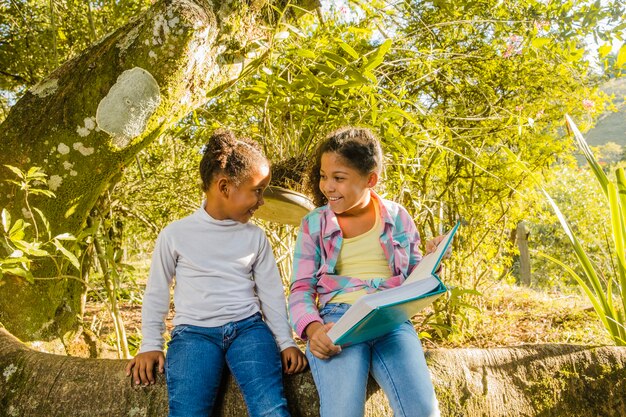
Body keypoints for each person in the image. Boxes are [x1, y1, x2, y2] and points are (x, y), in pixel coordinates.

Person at [126, 130, 307, 417]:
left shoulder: (255, 238)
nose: (261, 201)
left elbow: (271, 294)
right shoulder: (176, 234)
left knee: (271, 408)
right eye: (257, 191)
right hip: (193, 335)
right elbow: (157, 292)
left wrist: (286, 342)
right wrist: (150, 344)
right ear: (224, 187)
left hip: (248, 330)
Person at [289, 127, 443, 417]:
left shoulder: (397, 217)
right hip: (338, 324)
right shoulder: (314, 224)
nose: (327, 186)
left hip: (391, 321)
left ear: (370, 179)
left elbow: (416, 279)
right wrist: (314, 330)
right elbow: (300, 289)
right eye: (323, 176)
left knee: (423, 410)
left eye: (339, 178)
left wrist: (432, 262)